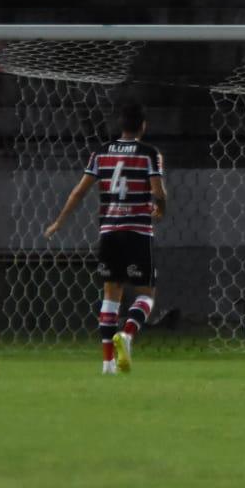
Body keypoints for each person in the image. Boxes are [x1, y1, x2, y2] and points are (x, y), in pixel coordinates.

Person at [45, 103, 167, 375]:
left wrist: (59, 222)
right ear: (143, 126)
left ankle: (107, 363)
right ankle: (127, 334)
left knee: (111, 295)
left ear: (120, 125)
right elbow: (158, 192)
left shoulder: (101, 153)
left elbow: (78, 192)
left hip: (109, 233)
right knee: (146, 294)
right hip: (137, 232)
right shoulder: (149, 154)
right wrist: (161, 208)